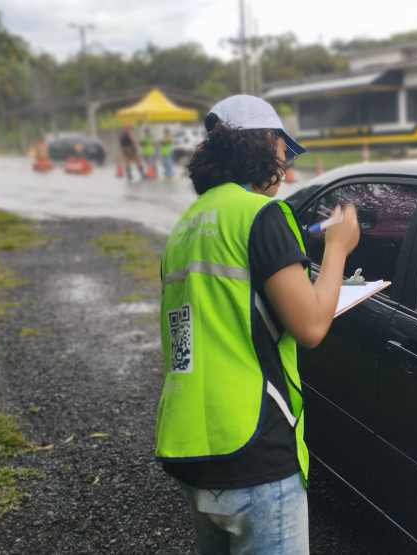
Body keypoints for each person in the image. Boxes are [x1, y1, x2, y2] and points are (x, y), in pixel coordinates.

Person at [155, 94, 359, 554]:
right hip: (253, 445)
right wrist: (338, 249)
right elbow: (310, 327)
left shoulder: (186, 225)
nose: (287, 165)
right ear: (264, 143)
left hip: (192, 445)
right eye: (285, 147)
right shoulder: (259, 216)